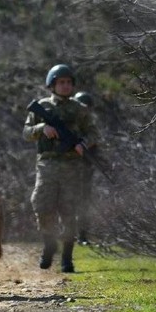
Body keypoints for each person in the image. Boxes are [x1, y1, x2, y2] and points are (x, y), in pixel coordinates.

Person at [23, 64, 99, 273]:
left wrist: (83, 144)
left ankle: (67, 256)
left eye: (68, 82)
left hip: (72, 166)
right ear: (52, 85)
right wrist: (42, 128)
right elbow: (26, 132)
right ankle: (49, 243)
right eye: (61, 82)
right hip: (47, 164)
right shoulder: (42, 106)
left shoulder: (79, 109)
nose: (65, 86)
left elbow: (93, 133)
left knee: (69, 211)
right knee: (41, 205)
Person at [72, 90, 97, 246]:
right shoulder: (70, 124)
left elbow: (95, 142)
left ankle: (82, 235)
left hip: (85, 169)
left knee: (84, 203)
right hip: (67, 168)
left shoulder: (90, 127)